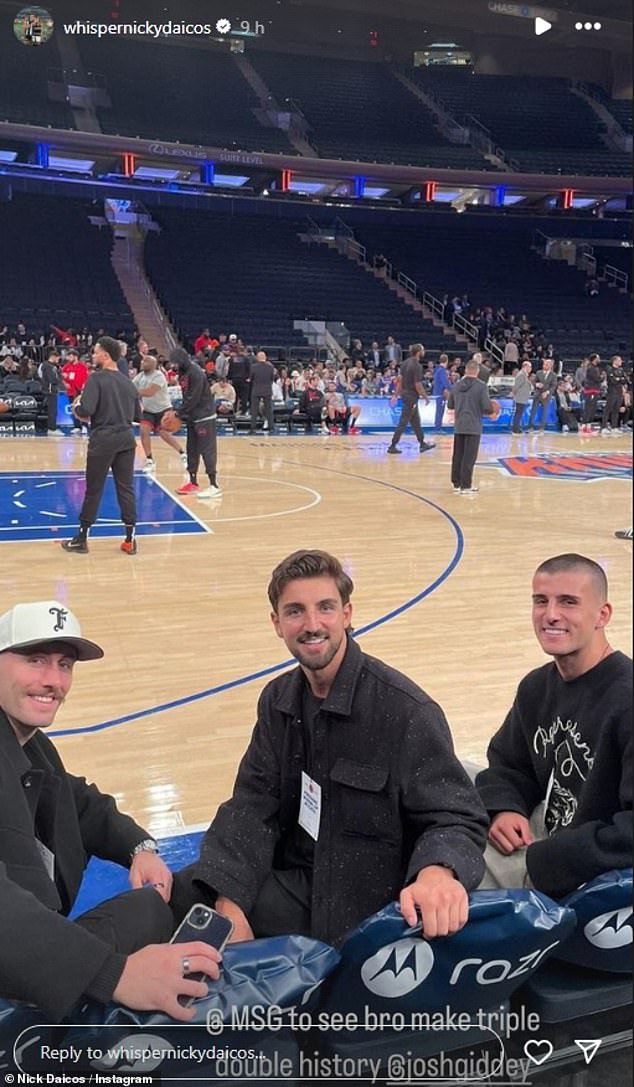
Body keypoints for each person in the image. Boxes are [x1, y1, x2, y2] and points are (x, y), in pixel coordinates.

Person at [172, 550, 488, 947]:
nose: (312, 624)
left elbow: (458, 816)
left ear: (347, 614)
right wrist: (229, 903)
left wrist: (438, 872)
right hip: (302, 881)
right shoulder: (278, 700)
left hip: (366, 907)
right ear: (277, 624)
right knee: (182, 896)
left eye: (325, 608)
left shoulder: (405, 710)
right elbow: (252, 804)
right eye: (295, 612)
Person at [0, 600, 221, 1021]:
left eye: (64, 665)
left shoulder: (30, 744)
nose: (53, 680)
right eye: (35, 661)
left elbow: (79, 802)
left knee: (161, 900)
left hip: (31, 943)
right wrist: (114, 974)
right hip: (14, 969)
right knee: (154, 912)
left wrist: (139, 847)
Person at [476, 554, 632, 898]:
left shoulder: (627, 697)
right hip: (548, 838)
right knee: (453, 779)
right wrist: (504, 807)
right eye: (541, 601)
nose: (550, 615)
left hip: (590, 872)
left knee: (450, 868)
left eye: (569, 603)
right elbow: (509, 763)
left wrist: (551, 859)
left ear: (602, 615)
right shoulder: (536, 687)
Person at [62, 337, 140, 555]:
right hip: (126, 439)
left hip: (103, 439)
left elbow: (86, 411)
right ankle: (130, 539)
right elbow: (137, 415)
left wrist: (77, 406)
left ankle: (82, 538)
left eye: (95, 352)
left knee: (94, 490)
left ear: (105, 355)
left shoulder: (96, 379)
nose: (93, 356)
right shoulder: (128, 382)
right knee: (126, 488)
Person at [169, 347, 221, 500]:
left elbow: (193, 398)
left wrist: (178, 414)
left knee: (207, 450)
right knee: (191, 449)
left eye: (175, 363)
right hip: (193, 417)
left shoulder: (196, 373)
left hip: (204, 416)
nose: (173, 366)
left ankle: (214, 485)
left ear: (182, 360)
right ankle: (193, 482)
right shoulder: (182, 374)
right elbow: (186, 397)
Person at [447, 357, 496, 495]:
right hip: (473, 425)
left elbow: (450, 405)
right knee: (469, 456)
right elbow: (486, 406)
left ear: (466, 371)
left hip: (459, 424)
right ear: (477, 371)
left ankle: (456, 483)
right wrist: (491, 413)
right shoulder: (481, 386)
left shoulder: (456, 385)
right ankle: (466, 485)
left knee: (458, 455)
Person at [133, 354, 187, 475]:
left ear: (153, 364)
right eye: (142, 361)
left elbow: (150, 392)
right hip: (148, 410)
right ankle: (149, 460)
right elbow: (129, 388)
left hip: (164, 409)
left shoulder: (159, 376)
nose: (142, 363)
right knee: (143, 431)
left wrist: (133, 392)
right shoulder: (139, 377)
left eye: (145, 361)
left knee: (163, 433)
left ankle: (182, 453)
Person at [387, 344, 435, 455]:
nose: (424, 352)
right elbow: (418, 384)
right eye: (423, 350)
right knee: (403, 422)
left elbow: (400, 381)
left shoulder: (405, 363)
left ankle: (422, 443)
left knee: (416, 422)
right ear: (418, 352)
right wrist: (425, 397)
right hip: (411, 397)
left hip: (406, 395)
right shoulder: (417, 366)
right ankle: (393, 445)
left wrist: (395, 395)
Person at [249, 350, 276, 434]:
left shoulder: (253, 367)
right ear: (265, 358)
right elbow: (272, 378)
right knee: (269, 410)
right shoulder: (270, 367)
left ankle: (253, 428)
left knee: (254, 410)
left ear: (257, 358)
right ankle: (271, 427)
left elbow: (251, 378)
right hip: (267, 389)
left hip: (256, 390)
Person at [528, 358, 557, 432]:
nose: (544, 366)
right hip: (537, 394)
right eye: (544, 364)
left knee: (544, 411)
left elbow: (553, 386)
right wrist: (537, 384)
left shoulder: (553, 375)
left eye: (546, 365)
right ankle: (530, 427)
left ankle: (541, 428)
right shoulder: (538, 372)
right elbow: (534, 382)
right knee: (533, 411)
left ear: (550, 366)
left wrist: (547, 392)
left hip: (546, 395)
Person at [601, 355, 627, 435]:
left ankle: (614, 427)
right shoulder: (609, 369)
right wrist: (620, 379)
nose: (621, 361)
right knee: (608, 409)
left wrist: (619, 379)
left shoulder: (621, 370)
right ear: (614, 361)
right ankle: (604, 427)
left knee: (616, 410)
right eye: (619, 360)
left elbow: (625, 379)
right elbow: (613, 380)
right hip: (612, 392)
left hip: (619, 392)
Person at [40, 346, 63, 435]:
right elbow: (52, 379)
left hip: (51, 390)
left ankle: (52, 427)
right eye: (57, 358)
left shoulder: (51, 366)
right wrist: (59, 377)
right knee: (52, 410)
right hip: (50, 391)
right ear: (53, 357)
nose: (58, 360)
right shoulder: (48, 366)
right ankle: (51, 429)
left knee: (53, 410)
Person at [581, 353, 602, 434]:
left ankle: (588, 426)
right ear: (594, 359)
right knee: (589, 409)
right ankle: (583, 426)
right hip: (591, 390)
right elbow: (597, 378)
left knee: (592, 409)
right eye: (598, 358)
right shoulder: (591, 368)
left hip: (595, 390)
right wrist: (602, 377)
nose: (599, 360)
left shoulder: (595, 368)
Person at [431, 354, 452, 430]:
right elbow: (445, 383)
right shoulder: (442, 371)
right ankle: (438, 427)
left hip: (438, 392)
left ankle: (438, 426)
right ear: (446, 361)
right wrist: (452, 389)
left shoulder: (437, 369)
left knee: (439, 410)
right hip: (440, 393)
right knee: (440, 410)